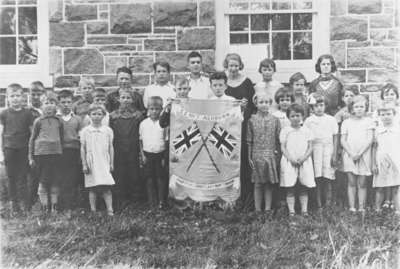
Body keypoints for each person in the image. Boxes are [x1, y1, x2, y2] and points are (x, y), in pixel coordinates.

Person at [224, 53, 256, 210]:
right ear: (227, 66)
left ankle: (245, 197)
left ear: (240, 66)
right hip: (227, 127)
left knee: (243, 159)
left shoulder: (247, 82)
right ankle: (229, 196)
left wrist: (244, 107)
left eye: (236, 65)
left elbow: (253, 106)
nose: (233, 68)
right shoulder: (223, 83)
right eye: (231, 65)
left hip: (243, 126)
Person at [0, 84, 35, 214]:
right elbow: (1, 133)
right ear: (7, 98)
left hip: (23, 149)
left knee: (22, 177)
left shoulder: (27, 113)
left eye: (18, 95)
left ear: (23, 97)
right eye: (12, 96)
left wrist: (31, 153)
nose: (15, 99)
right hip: (9, 149)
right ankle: (13, 205)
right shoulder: (4, 113)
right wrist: (1, 154)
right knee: (11, 177)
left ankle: (24, 204)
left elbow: (32, 134)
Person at [29, 93, 63, 214]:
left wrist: (61, 151)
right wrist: (31, 157)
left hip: (56, 155)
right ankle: (44, 206)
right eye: (46, 103)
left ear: (56, 105)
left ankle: (54, 206)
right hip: (41, 155)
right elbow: (32, 139)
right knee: (43, 181)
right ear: (42, 105)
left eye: (52, 102)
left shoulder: (59, 121)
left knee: (55, 180)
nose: (49, 106)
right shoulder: (38, 121)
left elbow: (61, 137)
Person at [110, 89, 144, 209]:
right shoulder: (113, 116)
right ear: (118, 99)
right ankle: (120, 199)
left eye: (128, 98)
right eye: (123, 97)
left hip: (133, 149)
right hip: (118, 149)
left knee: (134, 174)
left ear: (133, 100)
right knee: (120, 174)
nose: (126, 100)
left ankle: (135, 200)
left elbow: (141, 133)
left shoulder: (138, 116)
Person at [247, 92, 281, 213]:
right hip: (256, 155)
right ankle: (257, 209)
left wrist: (278, 156)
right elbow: (249, 141)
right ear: (256, 104)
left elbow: (278, 139)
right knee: (258, 183)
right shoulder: (251, 120)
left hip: (271, 154)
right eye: (261, 102)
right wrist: (249, 156)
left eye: (267, 102)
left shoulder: (275, 120)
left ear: (270, 104)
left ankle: (267, 209)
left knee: (268, 183)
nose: (264, 105)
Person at [341, 95, 374, 214]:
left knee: (362, 182)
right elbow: (343, 140)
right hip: (350, 155)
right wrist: (351, 153)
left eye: (362, 106)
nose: (359, 109)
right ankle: (352, 206)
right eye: (356, 107)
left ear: (365, 108)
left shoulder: (369, 122)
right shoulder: (346, 122)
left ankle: (361, 207)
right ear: (352, 108)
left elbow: (370, 139)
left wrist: (360, 153)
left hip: (364, 155)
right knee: (351, 182)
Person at [304, 94, 338, 209]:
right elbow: (306, 138)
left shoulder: (331, 119)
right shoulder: (309, 121)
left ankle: (328, 204)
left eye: (321, 105)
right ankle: (319, 205)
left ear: (325, 106)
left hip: (328, 149)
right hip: (315, 150)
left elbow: (335, 137)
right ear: (312, 108)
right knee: (317, 178)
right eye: (316, 106)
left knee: (328, 178)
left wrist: (334, 154)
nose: (319, 108)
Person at [280, 104, 315, 216]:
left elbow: (310, 147)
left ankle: (304, 210)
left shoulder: (307, 130)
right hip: (289, 161)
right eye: (293, 116)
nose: (295, 118)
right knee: (290, 186)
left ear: (303, 116)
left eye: (298, 115)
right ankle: (291, 211)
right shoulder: (286, 130)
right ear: (288, 117)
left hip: (304, 161)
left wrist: (304, 158)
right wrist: (291, 159)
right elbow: (283, 147)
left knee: (303, 186)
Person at [80, 104, 115, 216]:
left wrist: (111, 163)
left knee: (106, 186)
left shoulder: (108, 130)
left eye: (99, 114)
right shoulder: (86, 131)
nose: (96, 116)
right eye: (93, 114)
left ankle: (110, 209)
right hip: (91, 160)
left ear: (104, 116)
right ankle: (93, 210)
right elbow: (83, 148)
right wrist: (84, 164)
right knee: (92, 187)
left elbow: (111, 147)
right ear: (89, 115)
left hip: (104, 160)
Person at [373, 84, 400, 209]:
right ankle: (383, 204)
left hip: (395, 152)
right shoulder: (379, 116)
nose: (389, 96)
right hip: (382, 153)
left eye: (392, 94)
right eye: (386, 94)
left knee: (395, 181)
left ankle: (396, 205)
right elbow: (375, 143)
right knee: (381, 181)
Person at [58, 89, 83, 218]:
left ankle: (71, 206)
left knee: (72, 178)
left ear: (72, 103)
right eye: (63, 102)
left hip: (74, 151)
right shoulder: (56, 119)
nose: (66, 105)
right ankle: (62, 206)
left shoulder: (77, 119)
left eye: (68, 102)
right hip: (60, 152)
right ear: (59, 103)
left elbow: (81, 136)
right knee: (61, 178)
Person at [140, 96, 168, 209]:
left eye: (157, 109)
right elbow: (140, 140)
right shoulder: (143, 123)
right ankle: (152, 201)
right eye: (152, 108)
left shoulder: (164, 124)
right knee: (149, 179)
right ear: (148, 109)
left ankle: (161, 201)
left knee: (161, 178)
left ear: (161, 110)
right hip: (148, 154)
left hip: (160, 154)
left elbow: (166, 141)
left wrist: (164, 157)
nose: (154, 111)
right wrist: (142, 155)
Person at [334, 87, 359, 208]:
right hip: (344, 144)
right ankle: (343, 198)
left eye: (351, 95)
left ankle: (360, 200)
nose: (349, 98)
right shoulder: (341, 113)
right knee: (344, 173)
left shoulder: (359, 110)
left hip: (357, 145)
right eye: (346, 96)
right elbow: (336, 130)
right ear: (343, 98)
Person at [27, 81, 44, 207]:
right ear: (29, 94)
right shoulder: (27, 111)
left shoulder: (47, 108)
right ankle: (31, 202)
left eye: (39, 94)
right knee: (33, 175)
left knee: (46, 174)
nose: (36, 97)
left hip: (46, 147)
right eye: (33, 94)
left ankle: (45, 202)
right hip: (33, 146)